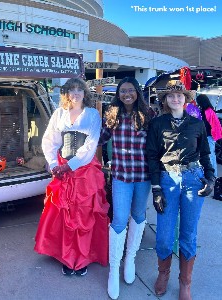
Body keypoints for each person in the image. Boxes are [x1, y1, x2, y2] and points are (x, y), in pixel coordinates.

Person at [146, 80, 215, 299]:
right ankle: (163, 274)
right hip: (167, 180)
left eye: (179, 95)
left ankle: (185, 282)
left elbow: (205, 154)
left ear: (186, 99)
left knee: (188, 233)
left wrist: (211, 177)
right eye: (171, 96)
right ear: (165, 100)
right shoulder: (157, 124)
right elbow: (152, 157)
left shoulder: (197, 124)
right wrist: (156, 188)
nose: (175, 99)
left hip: (193, 179)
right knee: (164, 236)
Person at [34, 77, 109, 276]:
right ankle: (67, 256)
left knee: (84, 215)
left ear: (85, 93)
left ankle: (82, 257)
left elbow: (91, 144)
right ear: (66, 94)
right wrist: (53, 164)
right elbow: (49, 140)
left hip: (84, 170)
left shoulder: (92, 114)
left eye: (79, 89)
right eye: (71, 90)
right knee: (64, 215)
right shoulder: (59, 114)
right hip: (62, 170)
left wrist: (70, 165)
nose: (75, 93)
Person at [100, 77, 153, 299]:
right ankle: (114, 269)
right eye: (123, 91)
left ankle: (129, 259)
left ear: (137, 93)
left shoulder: (148, 115)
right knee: (119, 220)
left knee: (139, 216)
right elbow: (98, 139)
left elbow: (159, 143)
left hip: (143, 176)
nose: (127, 94)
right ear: (118, 94)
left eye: (131, 90)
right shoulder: (112, 115)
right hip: (121, 177)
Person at [196, 94, 222, 177]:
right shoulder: (207, 110)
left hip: (209, 137)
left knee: (210, 156)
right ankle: (213, 175)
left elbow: (213, 125)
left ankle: (213, 175)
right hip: (208, 137)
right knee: (210, 156)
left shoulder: (208, 111)